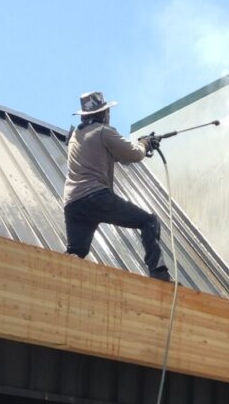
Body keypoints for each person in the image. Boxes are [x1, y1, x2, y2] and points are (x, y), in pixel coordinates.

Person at [62, 91, 171, 282]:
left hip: (72, 203)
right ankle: (159, 274)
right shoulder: (104, 132)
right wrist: (146, 144)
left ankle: (57, 277)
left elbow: (120, 158)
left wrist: (142, 146)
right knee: (148, 221)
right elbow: (134, 155)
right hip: (95, 197)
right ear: (103, 114)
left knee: (76, 253)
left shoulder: (75, 136)